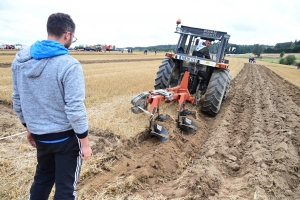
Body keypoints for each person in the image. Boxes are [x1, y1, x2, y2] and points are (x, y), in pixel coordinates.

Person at [11, 13, 92, 200]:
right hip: (65, 140)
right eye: (73, 37)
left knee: (43, 178)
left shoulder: (20, 62)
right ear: (67, 34)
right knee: (65, 189)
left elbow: (18, 99)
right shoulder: (69, 65)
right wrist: (85, 144)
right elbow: (75, 108)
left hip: (40, 137)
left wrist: (28, 127)